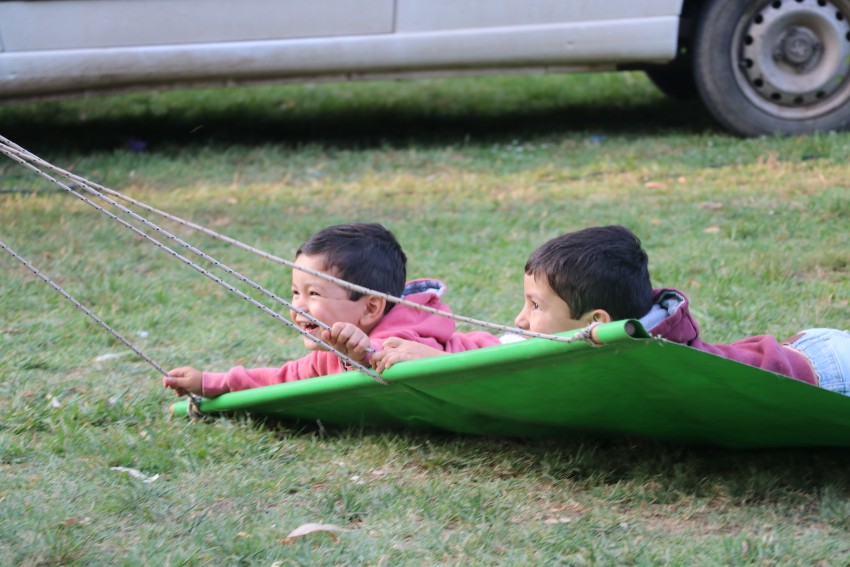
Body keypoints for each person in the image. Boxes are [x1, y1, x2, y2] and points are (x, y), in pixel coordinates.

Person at [372, 225, 850, 397]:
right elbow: (499, 349)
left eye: (535, 306)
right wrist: (425, 350)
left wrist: (435, 361)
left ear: (596, 324)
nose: (519, 318)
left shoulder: (647, 352)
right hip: (802, 346)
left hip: (827, 368)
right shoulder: (565, 341)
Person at [163, 222, 500, 398]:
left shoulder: (403, 335)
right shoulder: (331, 352)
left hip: (501, 356)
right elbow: (279, 380)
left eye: (313, 293)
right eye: (296, 292)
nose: (298, 306)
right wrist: (209, 382)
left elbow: (394, 357)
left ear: (370, 308)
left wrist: (365, 352)